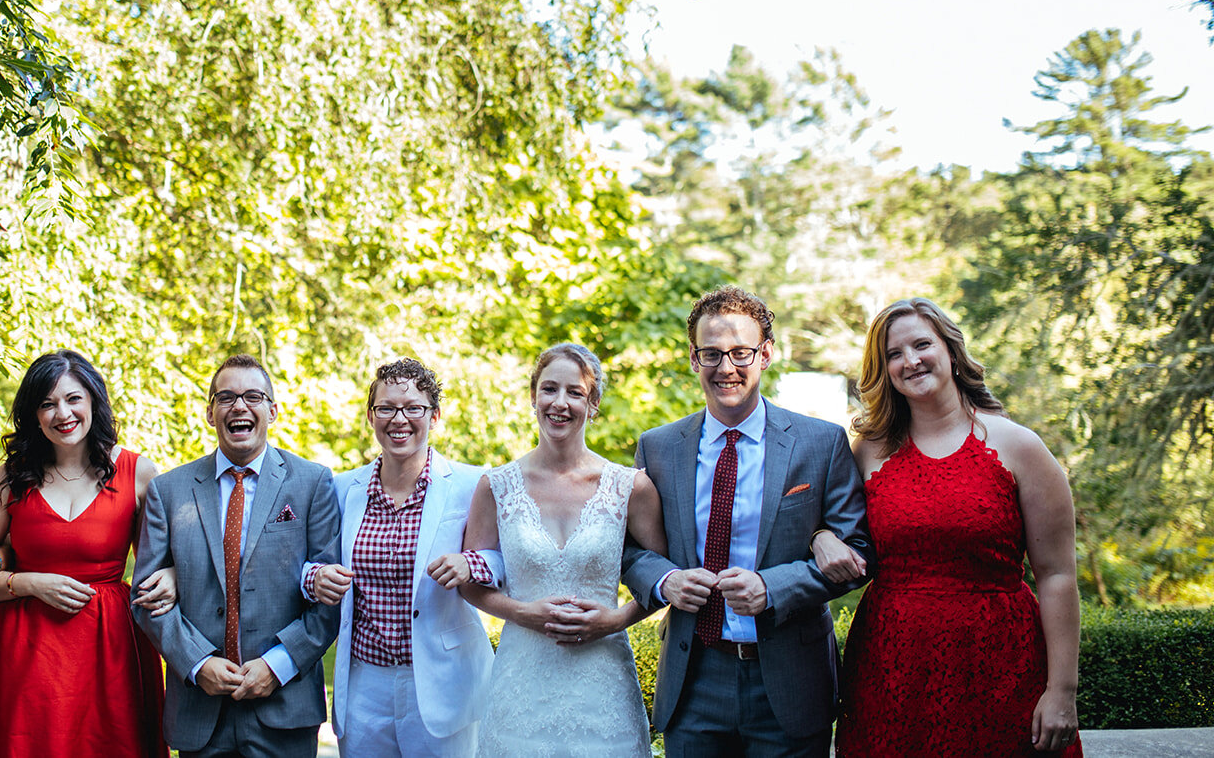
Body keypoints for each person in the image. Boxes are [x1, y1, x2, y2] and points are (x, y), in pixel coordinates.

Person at [621, 285, 872, 757]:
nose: (727, 368)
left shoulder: (821, 444)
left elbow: (857, 548)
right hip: (694, 675)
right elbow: (632, 549)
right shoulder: (658, 447)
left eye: (741, 352)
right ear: (694, 359)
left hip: (789, 681)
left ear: (766, 354)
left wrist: (773, 588)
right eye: (712, 354)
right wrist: (665, 580)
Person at [826, 298, 1083, 756]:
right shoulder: (866, 450)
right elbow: (827, 526)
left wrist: (1062, 691)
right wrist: (819, 536)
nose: (911, 361)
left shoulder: (1019, 447)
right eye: (893, 354)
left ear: (950, 350)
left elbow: (1057, 575)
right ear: (882, 370)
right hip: (892, 669)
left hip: (1002, 666)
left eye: (922, 344)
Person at [0, 349, 173, 758]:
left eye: (72, 399)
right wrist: (27, 582)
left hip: (110, 646)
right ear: (33, 414)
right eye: (46, 404)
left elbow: (166, 561)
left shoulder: (139, 473)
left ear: (93, 401)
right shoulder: (11, 476)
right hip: (24, 647)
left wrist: (170, 574)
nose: (61, 413)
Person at [460, 342, 667, 757]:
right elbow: (471, 583)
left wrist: (615, 620)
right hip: (521, 686)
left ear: (593, 405)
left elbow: (661, 578)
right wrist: (522, 613)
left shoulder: (630, 487)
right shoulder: (495, 487)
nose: (560, 403)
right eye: (549, 389)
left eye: (575, 393)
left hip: (603, 685)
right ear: (533, 397)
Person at [133, 354, 341, 758]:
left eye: (253, 396)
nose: (239, 406)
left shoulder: (313, 483)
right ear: (210, 412)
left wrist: (277, 666)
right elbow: (147, 599)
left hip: (284, 707)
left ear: (273, 410)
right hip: (199, 711)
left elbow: (329, 596)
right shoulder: (169, 491)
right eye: (226, 397)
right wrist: (196, 664)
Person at [307, 357, 496, 758]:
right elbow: (307, 562)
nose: (400, 419)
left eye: (414, 408)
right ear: (371, 416)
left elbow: (504, 560)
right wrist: (315, 577)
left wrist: (472, 564)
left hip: (444, 679)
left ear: (435, 415)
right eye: (387, 408)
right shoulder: (341, 489)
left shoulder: (470, 482)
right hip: (363, 684)